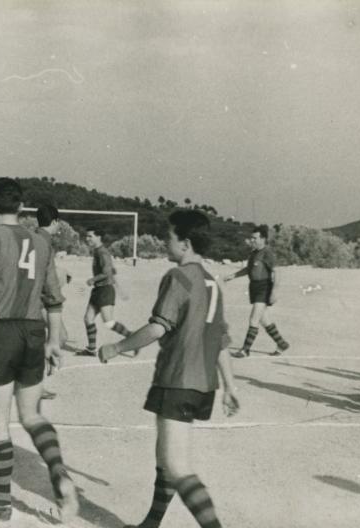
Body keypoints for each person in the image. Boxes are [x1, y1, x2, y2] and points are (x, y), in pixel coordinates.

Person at [98, 209, 239, 528]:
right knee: (166, 460)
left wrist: (118, 346)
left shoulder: (179, 277)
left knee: (177, 467)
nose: (165, 242)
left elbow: (158, 328)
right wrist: (231, 387)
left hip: (177, 381)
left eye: (170, 236)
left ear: (185, 243)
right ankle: (150, 524)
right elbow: (221, 340)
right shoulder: (212, 282)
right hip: (203, 385)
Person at [0, 178, 78, 523]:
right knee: (32, 415)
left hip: (3, 331)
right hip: (33, 331)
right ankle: (60, 475)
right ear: (22, 205)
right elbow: (53, 298)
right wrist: (54, 341)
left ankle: (0, 505)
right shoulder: (41, 242)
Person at [224, 224, 289, 357]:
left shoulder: (268, 253)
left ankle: (245, 350)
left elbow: (277, 272)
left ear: (263, 239)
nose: (252, 240)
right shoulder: (254, 253)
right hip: (254, 287)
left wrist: (274, 292)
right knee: (264, 320)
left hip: (264, 288)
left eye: (255, 238)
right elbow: (248, 269)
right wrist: (232, 276)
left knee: (253, 319)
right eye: (251, 238)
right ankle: (282, 343)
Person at [79, 228, 135, 356]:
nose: (87, 239)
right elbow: (113, 271)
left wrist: (92, 279)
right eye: (86, 236)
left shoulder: (102, 253)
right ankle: (91, 349)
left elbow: (107, 272)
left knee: (109, 322)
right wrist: (119, 288)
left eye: (90, 236)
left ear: (98, 237)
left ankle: (133, 338)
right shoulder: (97, 251)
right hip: (99, 290)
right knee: (88, 318)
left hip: (104, 290)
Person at [35, 204, 70, 400]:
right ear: (55, 221)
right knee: (59, 337)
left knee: (55, 337)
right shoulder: (44, 243)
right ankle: (34, 381)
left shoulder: (32, 237)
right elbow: (48, 281)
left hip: (30, 299)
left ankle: (34, 376)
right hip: (39, 301)